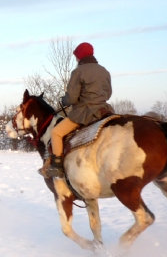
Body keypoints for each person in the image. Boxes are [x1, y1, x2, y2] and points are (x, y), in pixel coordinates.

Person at [44, 42, 114, 178]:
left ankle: (57, 166)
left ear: (80, 56)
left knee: (56, 133)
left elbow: (71, 99)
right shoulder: (104, 71)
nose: (76, 59)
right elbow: (108, 93)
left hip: (84, 113)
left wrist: (64, 100)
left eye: (76, 56)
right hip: (104, 111)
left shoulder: (78, 71)